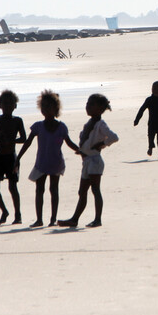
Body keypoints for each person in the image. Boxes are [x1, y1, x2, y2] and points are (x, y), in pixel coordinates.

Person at [15, 90, 80, 228]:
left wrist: (81, 151)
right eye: (43, 106)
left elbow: (69, 142)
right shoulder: (38, 126)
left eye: (49, 106)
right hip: (41, 163)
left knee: (54, 190)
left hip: (56, 163)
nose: (45, 109)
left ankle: (53, 218)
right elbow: (28, 142)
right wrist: (18, 157)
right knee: (39, 190)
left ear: (56, 108)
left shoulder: (61, 127)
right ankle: (39, 219)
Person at [59, 94, 119, 228]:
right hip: (87, 161)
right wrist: (82, 151)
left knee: (95, 190)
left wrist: (102, 144)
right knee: (82, 191)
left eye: (91, 104)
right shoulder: (89, 123)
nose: (88, 106)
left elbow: (114, 137)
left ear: (100, 108)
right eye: (87, 103)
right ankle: (74, 219)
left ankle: (97, 219)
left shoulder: (100, 124)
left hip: (95, 161)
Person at [0, 90, 27, 225]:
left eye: (11, 104)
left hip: (11, 157)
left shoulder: (17, 120)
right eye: (5, 104)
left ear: (15, 106)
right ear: (0, 105)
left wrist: (12, 141)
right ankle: (4, 211)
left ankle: (18, 214)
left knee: (12, 187)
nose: (8, 106)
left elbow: (24, 138)